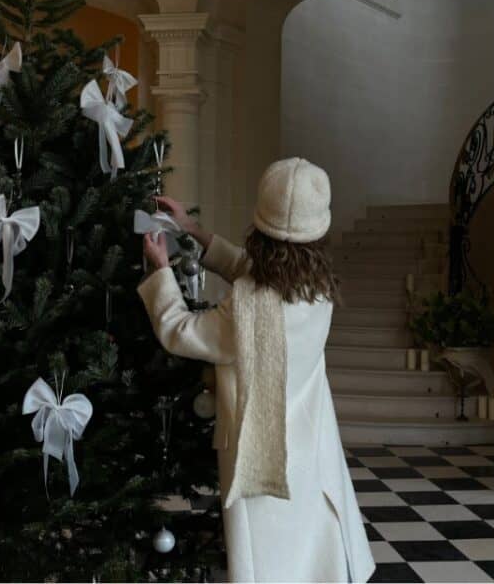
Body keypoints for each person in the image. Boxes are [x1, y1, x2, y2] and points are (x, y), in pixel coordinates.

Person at [137, 158, 375, 583]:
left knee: (267, 559)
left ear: (260, 227)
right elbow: (250, 271)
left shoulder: (248, 306)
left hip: (258, 450)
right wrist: (193, 231)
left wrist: (160, 271)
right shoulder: (317, 287)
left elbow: (180, 331)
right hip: (309, 446)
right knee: (311, 546)